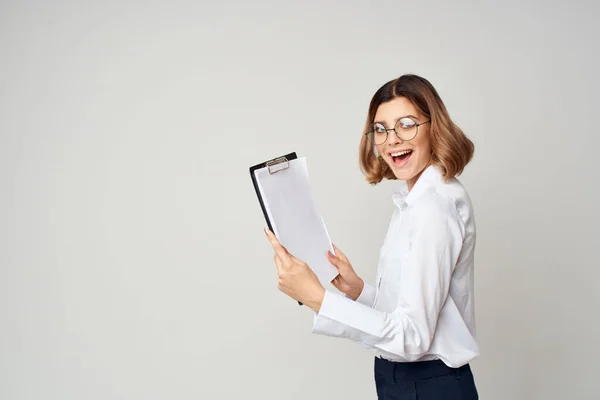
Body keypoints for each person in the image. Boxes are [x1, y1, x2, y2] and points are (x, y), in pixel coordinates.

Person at [265, 74, 479, 399]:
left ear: (433, 127)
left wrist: (319, 300)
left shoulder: (433, 208)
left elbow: (413, 338)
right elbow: (411, 310)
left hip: (428, 384)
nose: (391, 139)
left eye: (406, 124)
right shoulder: (415, 201)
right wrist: (359, 291)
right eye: (381, 129)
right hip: (405, 380)